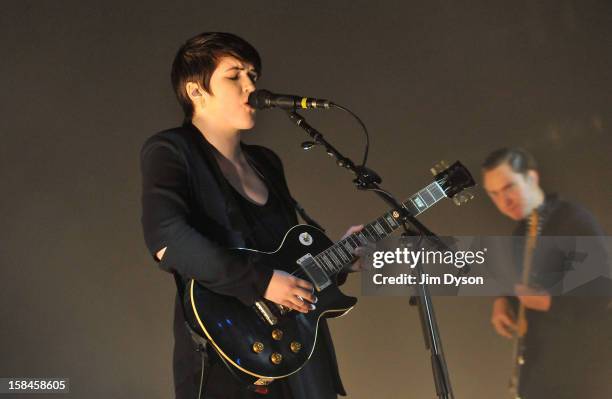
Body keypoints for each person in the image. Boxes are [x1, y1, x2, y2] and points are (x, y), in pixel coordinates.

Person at [140, 32, 365, 399]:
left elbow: (285, 260)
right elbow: (167, 240)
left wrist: (338, 259)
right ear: (196, 90)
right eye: (234, 76)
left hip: (299, 350)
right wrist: (259, 281)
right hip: (230, 353)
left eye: (253, 76)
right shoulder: (171, 150)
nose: (250, 85)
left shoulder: (266, 162)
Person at [481, 147, 611, 398]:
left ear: (532, 178)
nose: (503, 201)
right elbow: (524, 283)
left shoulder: (572, 220)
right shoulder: (521, 233)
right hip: (544, 369)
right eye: (494, 194)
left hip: (581, 371)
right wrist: (503, 300)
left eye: (509, 187)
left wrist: (549, 301)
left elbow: (603, 291)